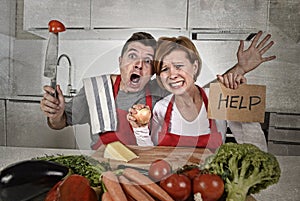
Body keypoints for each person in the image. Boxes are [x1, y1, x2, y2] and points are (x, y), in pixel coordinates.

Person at [40, 31, 275, 150]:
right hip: (106, 174)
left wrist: (240, 69)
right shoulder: (95, 90)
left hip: (151, 175)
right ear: (121, 60)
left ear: (153, 71)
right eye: (132, 57)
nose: (138, 65)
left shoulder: (163, 91)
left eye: (148, 61)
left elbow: (202, 94)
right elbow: (60, 123)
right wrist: (56, 113)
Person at [127, 36, 273, 151]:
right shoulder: (161, 108)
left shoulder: (218, 99)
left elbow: (257, 150)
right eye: (165, 69)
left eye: (179, 66)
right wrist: (140, 130)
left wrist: (242, 96)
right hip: (172, 185)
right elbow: (151, 157)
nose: (172, 75)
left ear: (194, 67)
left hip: (212, 185)